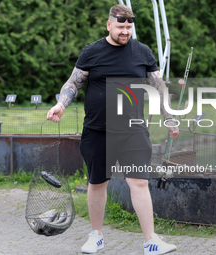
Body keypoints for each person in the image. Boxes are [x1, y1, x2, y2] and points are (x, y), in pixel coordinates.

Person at [47, 4, 178, 255]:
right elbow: (74, 82)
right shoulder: (92, 51)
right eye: (120, 26)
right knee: (97, 183)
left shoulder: (142, 52)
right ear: (109, 25)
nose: (125, 31)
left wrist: (169, 116)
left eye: (129, 27)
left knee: (139, 182)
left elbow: (158, 86)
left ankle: (151, 241)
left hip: (133, 131)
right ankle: (96, 237)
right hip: (98, 130)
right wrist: (61, 104)